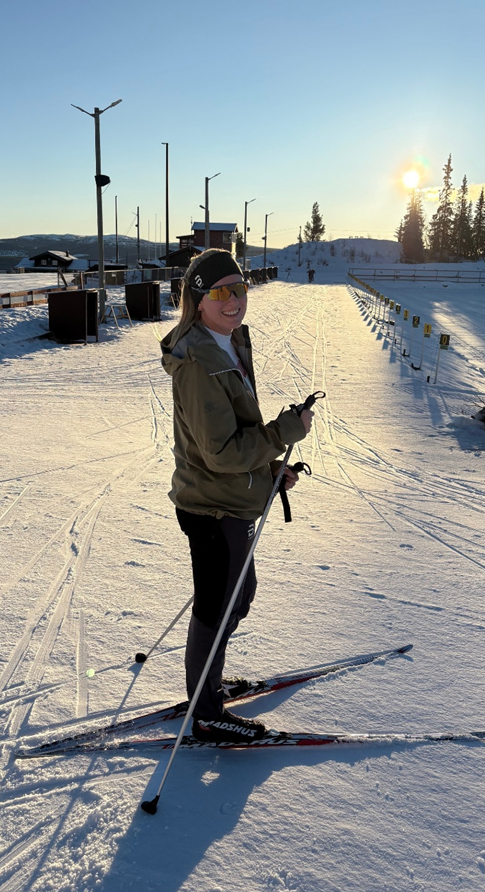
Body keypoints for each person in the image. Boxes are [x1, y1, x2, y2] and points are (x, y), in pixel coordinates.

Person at [160, 249, 313, 743]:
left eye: (240, 288)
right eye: (221, 291)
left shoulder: (227, 342)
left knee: (238, 596)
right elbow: (222, 452)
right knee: (217, 606)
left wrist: (269, 472)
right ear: (198, 298)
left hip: (232, 497)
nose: (234, 300)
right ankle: (206, 712)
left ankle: (210, 682)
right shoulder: (199, 362)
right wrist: (284, 431)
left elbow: (234, 433)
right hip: (212, 505)